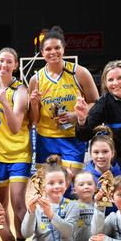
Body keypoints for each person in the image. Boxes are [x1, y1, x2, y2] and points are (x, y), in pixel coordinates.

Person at [28, 26, 99, 172]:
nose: (53, 52)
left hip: (72, 136)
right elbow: (33, 121)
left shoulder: (79, 73)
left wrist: (75, 115)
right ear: (42, 53)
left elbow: (96, 103)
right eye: (48, 49)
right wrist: (34, 104)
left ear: (63, 49)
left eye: (57, 48)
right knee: (49, 185)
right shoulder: (36, 79)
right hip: (45, 138)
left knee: (70, 185)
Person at [0, 47, 32, 241]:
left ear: (16, 65)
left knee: (18, 203)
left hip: (19, 153)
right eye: (1, 61)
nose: (3, 65)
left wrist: (4, 102)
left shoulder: (20, 91)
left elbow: (14, 128)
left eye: (8, 62)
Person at [72, 171, 97, 241]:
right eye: (81, 184)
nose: (86, 187)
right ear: (74, 190)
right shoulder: (71, 206)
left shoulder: (101, 205)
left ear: (95, 187)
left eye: (89, 184)